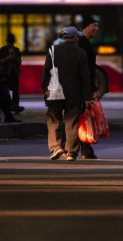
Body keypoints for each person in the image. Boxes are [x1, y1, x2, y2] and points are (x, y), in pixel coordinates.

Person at [42, 26, 93, 161]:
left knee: (54, 120)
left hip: (54, 91)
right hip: (74, 93)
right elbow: (85, 78)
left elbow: (46, 72)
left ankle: (56, 147)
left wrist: (45, 89)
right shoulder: (80, 53)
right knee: (72, 122)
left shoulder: (53, 51)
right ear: (75, 37)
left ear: (64, 37)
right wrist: (88, 97)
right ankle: (71, 152)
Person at [76, 16, 101, 159]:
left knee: (82, 117)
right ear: (86, 27)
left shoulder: (84, 43)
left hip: (83, 86)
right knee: (83, 117)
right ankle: (83, 148)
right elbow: (86, 70)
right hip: (82, 88)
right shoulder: (82, 44)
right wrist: (91, 88)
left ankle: (83, 148)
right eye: (94, 25)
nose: (96, 29)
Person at [0, 33, 24, 113]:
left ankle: (15, 107)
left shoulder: (16, 50)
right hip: (4, 73)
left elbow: (19, 62)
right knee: (4, 90)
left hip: (14, 72)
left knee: (15, 91)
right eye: (9, 43)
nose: (10, 44)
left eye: (11, 43)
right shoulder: (3, 49)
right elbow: (0, 61)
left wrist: (15, 58)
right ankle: (6, 107)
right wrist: (9, 57)